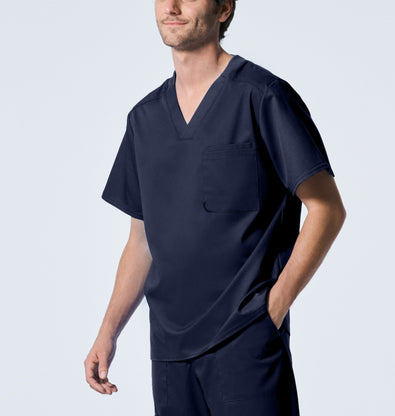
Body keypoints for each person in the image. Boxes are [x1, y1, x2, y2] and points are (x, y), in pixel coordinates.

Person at [84, 0, 346, 414]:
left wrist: (272, 310)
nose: (172, 6)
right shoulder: (144, 119)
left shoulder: (262, 96)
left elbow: (327, 208)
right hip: (170, 354)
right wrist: (108, 331)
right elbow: (142, 242)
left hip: (246, 343)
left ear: (224, 8)